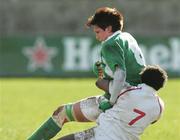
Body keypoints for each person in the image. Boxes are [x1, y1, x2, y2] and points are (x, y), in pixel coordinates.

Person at [28, 7, 146, 140]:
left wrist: (111, 101)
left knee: (62, 114)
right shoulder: (128, 38)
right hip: (137, 101)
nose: (97, 37)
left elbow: (120, 74)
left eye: (98, 32)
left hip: (118, 101)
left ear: (108, 28)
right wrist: (104, 71)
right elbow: (130, 72)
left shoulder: (110, 44)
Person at [58, 65, 168, 140]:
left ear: (141, 78)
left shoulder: (128, 90)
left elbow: (100, 83)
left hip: (101, 135)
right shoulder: (160, 106)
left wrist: (100, 72)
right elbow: (152, 121)